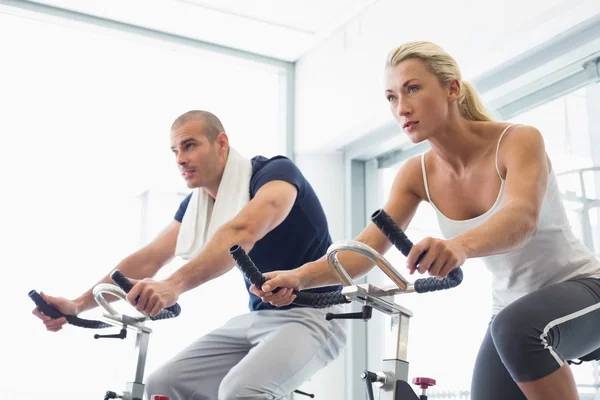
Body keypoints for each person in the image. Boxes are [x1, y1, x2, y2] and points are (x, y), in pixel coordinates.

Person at [250, 41, 600, 400]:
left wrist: (458, 246)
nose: (401, 108)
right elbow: (365, 251)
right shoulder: (416, 174)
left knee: (515, 330)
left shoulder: (518, 140)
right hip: (512, 311)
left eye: (413, 89)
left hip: (584, 289)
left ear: (452, 88)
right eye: (391, 97)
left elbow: (521, 219)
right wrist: (299, 277)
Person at [32, 110, 347, 400]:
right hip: (258, 317)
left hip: (316, 316)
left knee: (240, 391)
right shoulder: (197, 206)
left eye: (190, 146)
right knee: (163, 386)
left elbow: (241, 231)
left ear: (221, 143)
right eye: (175, 151)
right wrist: (78, 304)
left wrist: (172, 286)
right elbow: (150, 257)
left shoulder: (275, 174)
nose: (180, 159)